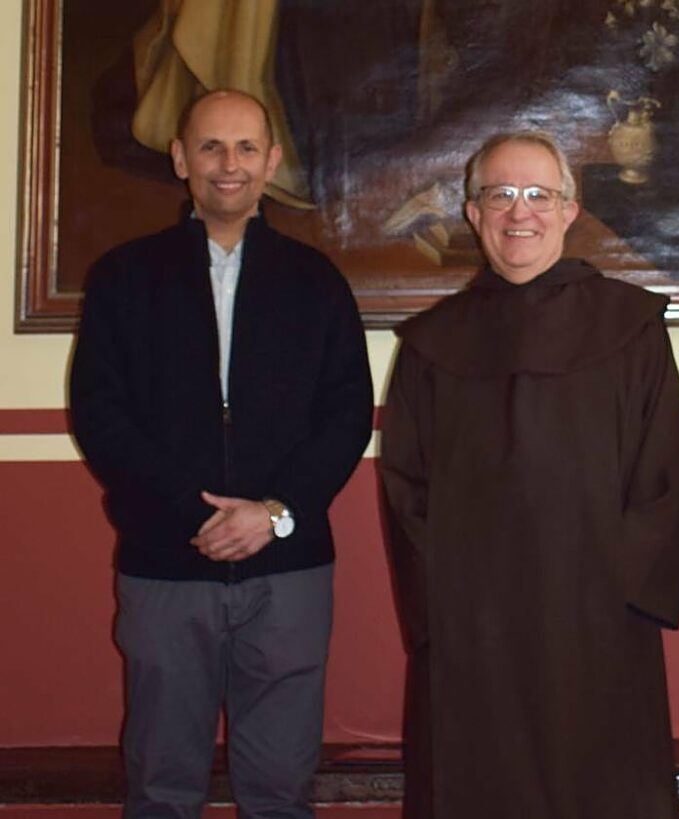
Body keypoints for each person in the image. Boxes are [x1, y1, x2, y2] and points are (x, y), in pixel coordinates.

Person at [69, 89, 373, 819]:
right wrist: (192, 513)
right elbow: (101, 416)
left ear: (270, 162)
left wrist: (273, 511)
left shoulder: (317, 282)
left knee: (278, 788)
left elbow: (346, 415)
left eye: (244, 148)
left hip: (288, 564)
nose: (227, 164)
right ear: (180, 158)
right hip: (167, 562)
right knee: (162, 785)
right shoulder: (123, 277)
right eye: (210, 146)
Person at [379, 131, 679, 819]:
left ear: (570, 209)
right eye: (500, 195)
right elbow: (407, 488)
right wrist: (459, 596)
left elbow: (663, 474)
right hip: (475, 634)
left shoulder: (632, 326)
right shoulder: (432, 343)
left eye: (537, 196)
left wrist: (610, 583)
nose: (519, 213)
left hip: (597, 626)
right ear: (472, 212)